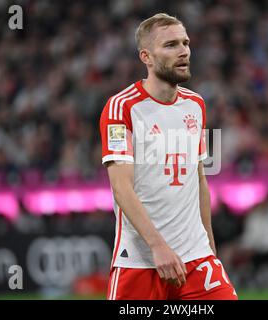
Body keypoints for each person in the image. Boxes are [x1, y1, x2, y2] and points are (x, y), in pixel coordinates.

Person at [99, 13, 237, 300]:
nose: (184, 51)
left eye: (185, 43)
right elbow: (121, 187)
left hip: (196, 258)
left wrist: (209, 245)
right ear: (146, 57)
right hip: (140, 261)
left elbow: (199, 178)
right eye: (171, 45)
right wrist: (157, 246)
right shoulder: (120, 108)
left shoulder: (196, 104)